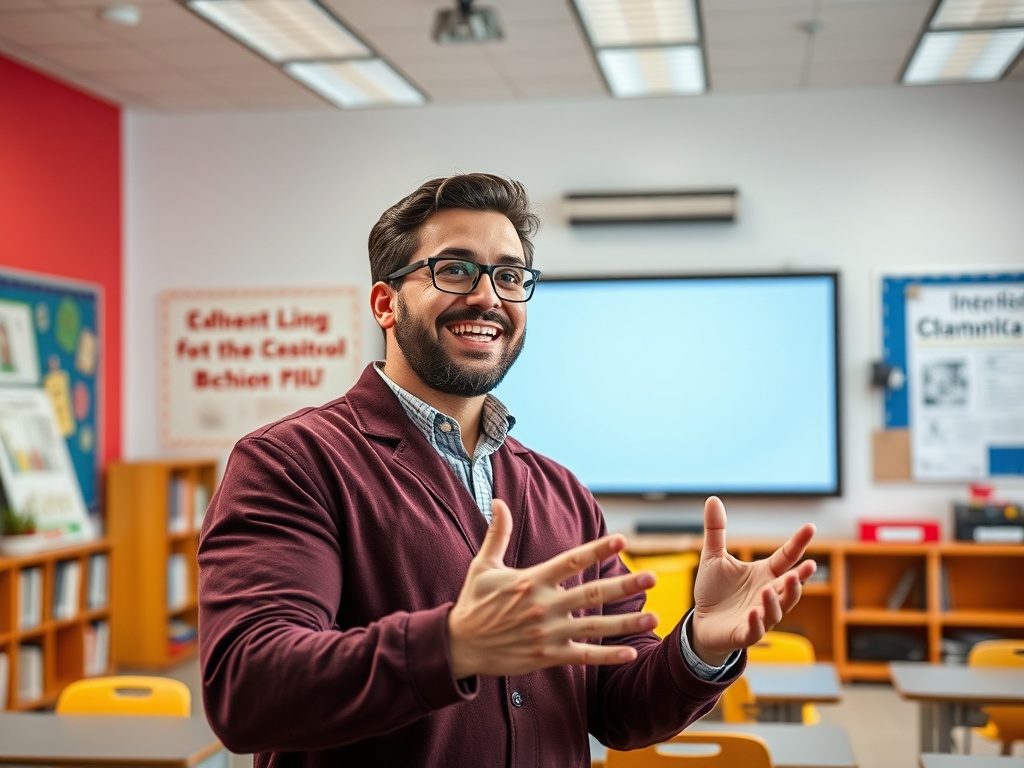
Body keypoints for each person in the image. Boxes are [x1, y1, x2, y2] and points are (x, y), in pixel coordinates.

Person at [197, 173, 817, 768]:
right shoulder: (292, 462)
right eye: (455, 269)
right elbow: (248, 688)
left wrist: (700, 646)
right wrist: (452, 646)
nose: (488, 296)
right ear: (386, 303)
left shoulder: (562, 493)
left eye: (510, 275)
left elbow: (619, 710)